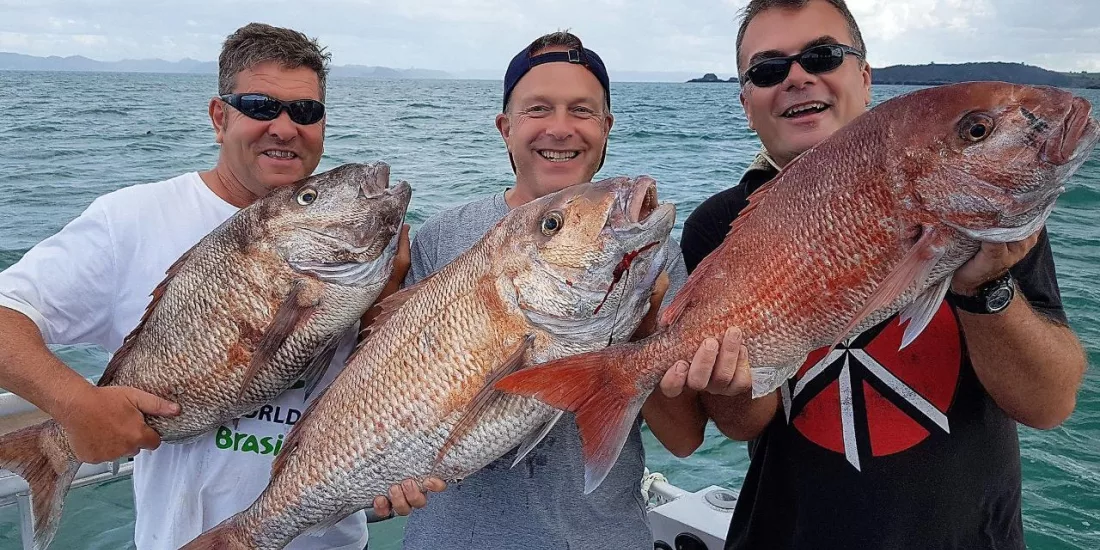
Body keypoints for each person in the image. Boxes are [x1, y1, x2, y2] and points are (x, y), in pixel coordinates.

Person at [662, 1, 1088, 548]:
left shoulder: (984, 203)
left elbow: (1050, 405)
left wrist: (987, 287)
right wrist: (724, 382)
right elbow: (746, 424)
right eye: (768, 69)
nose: (796, 77)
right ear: (747, 104)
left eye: (823, 56)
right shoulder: (719, 226)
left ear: (864, 79)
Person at [0, 22, 437, 550]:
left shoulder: (378, 257)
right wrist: (74, 405)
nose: (283, 127)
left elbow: (384, 389)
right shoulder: (132, 219)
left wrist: (403, 464)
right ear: (219, 116)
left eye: (305, 111)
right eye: (258, 105)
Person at [399, 31, 692, 549]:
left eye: (582, 110)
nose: (560, 128)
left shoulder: (654, 256)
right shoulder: (443, 237)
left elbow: (684, 438)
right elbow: (397, 394)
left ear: (606, 128)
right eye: (538, 109)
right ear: (505, 128)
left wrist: (644, 335)